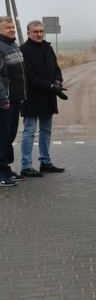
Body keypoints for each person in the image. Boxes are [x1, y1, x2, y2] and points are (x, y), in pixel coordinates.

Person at [19, 20, 66, 178]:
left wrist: (58, 81)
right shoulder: (23, 50)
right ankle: (26, 166)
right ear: (28, 33)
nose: (39, 34)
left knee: (46, 131)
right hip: (31, 97)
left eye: (41, 31)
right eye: (35, 32)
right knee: (29, 131)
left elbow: (56, 69)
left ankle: (45, 162)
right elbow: (30, 77)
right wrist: (51, 86)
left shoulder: (48, 47)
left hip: (48, 96)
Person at [0, 16, 27, 187]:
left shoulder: (13, 45)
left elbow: (20, 75)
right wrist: (3, 98)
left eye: (12, 27)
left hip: (15, 100)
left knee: (9, 136)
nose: (12, 30)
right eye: (7, 28)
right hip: (5, 101)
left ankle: (5, 167)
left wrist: (21, 95)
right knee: (2, 136)